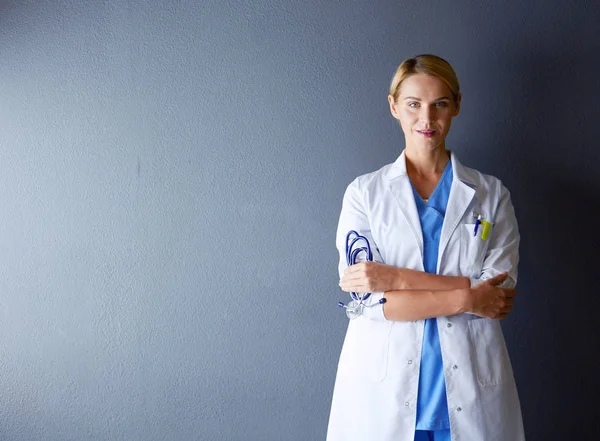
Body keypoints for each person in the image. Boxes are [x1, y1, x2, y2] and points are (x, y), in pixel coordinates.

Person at [326, 54, 525, 441]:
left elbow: (497, 297)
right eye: (414, 104)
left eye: (440, 104)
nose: (427, 119)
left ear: (457, 105)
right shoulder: (364, 195)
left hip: (469, 388)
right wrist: (468, 298)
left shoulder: (491, 195)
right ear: (393, 106)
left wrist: (396, 278)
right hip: (383, 394)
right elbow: (374, 304)